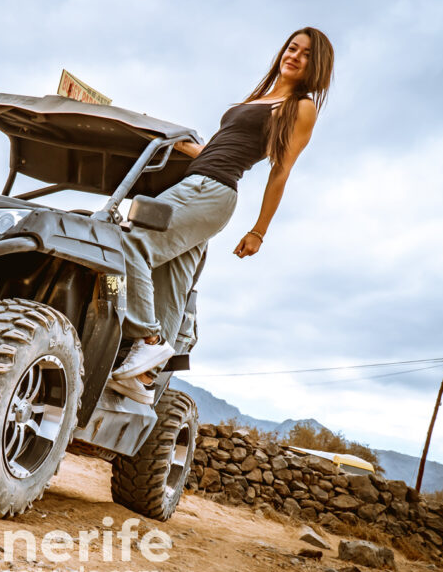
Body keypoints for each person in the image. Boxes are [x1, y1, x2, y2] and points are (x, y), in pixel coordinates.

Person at [108, 27, 335, 404]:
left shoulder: (301, 107)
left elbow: (281, 171)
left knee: (130, 244)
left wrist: (259, 231)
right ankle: (142, 379)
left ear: (318, 65)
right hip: (198, 183)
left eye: (306, 54)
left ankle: (148, 340)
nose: (294, 55)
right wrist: (170, 139)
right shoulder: (262, 98)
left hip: (210, 192)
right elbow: (215, 149)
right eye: (292, 48)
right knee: (170, 281)